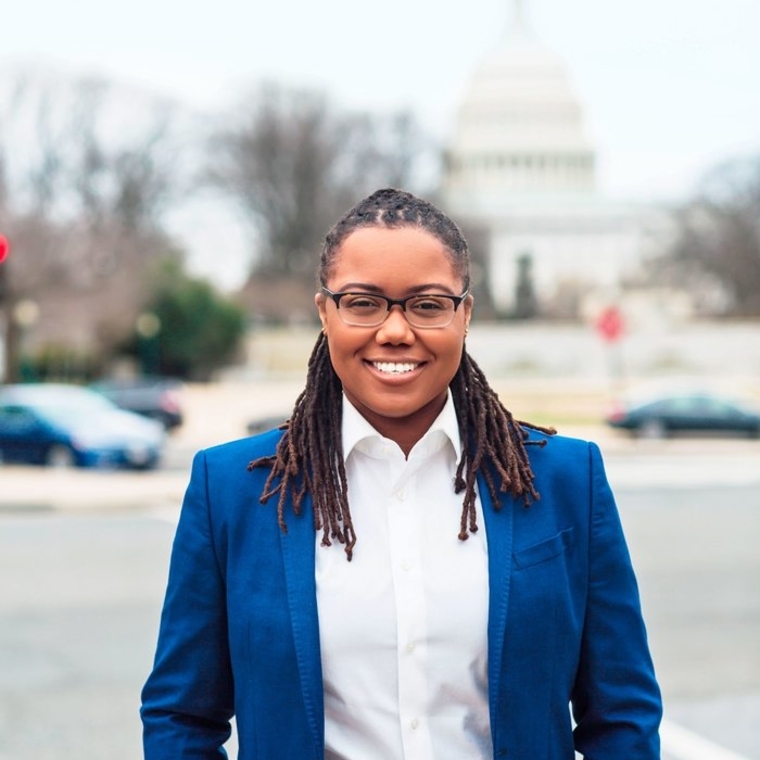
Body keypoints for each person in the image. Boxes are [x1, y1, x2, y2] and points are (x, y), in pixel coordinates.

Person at [141, 188, 662, 759]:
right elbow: (182, 716)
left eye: (427, 304)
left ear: (464, 315)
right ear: (325, 313)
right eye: (363, 303)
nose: (394, 331)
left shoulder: (566, 479)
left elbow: (621, 714)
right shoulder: (232, 489)